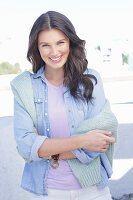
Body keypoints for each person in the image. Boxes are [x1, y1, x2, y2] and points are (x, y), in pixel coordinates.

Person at [11, 11, 118, 200]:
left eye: (60, 42)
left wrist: (47, 150)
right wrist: (83, 140)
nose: (54, 52)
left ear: (70, 42)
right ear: (37, 48)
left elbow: (99, 143)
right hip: (47, 192)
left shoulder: (91, 81)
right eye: (46, 45)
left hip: (93, 190)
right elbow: (26, 146)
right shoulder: (23, 87)